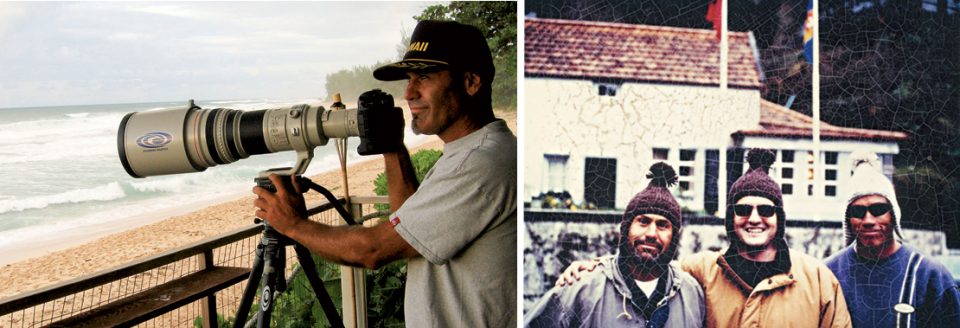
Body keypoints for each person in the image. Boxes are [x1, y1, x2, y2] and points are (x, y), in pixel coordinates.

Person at [253, 20, 516, 327]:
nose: (409, 92)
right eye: (408, 78)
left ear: (471, 82)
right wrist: (393, 147)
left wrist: (294, 225)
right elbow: (411, 225)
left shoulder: (478, 164)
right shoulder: (478, 151)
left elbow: (373, 250)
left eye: (424, 78)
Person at [558, 149, 852, 327]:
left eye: (765, 209)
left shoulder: (817, 280)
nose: (753, 218)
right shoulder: (699, 271)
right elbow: (646, 264)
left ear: (780, 218)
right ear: (729, 217)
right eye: (742, 209)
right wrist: (597, 266)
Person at [525, 163, 705, 327]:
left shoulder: (692, 294)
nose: (651, 233)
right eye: (643, 221)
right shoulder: (580, 288)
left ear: (675, 236)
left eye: (662, 225)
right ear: (625, 228)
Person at [824, 151, 960, 327]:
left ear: (894, 214)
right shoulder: (828, 274)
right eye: (857, 212)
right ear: (847, 220)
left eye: (878, 209)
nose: (868, 220)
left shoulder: (929, 275)